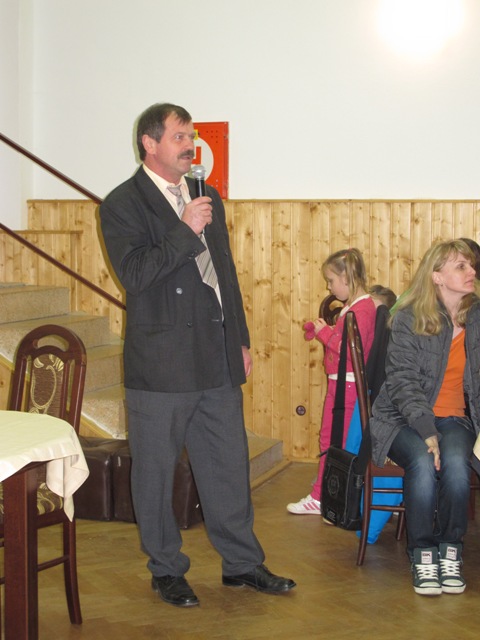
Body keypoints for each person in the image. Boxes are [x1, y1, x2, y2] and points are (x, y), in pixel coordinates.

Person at [99, 103, 295, 608]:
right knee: (155, 472)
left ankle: (242, 563)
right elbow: (136, 275)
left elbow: (224, 273)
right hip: (161, 363)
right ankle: (166, 568)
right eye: (180, 137)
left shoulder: (206, 194)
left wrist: (239, 340)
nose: (191, 145)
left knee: (227, 465)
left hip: (215, 354)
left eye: (192, 136)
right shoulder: (121, 203)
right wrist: (185, 228)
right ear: (150, 143)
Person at [369, 239, 480, 596]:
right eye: (461, 266)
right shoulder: (409, 317)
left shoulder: (477, 318)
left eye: (471, 265)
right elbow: (401, 380)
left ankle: (450, 549)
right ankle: (422, 553)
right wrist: (426, 429)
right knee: (421, 460)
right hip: (401, 418)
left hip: (456, 418)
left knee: (457, 465)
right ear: (436, 276)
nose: (472, 271)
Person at [287, 248, 377, 515]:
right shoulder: (354, 307)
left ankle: (320, 497)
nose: (329, 286)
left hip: (347, 387)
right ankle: (326, 489)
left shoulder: (361, 310)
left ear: (346, 278)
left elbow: (348, 350)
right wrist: (324, 331)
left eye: (331, 280)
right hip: (343, 384)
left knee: (332, 440)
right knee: (332, 438)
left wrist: (325, 333)